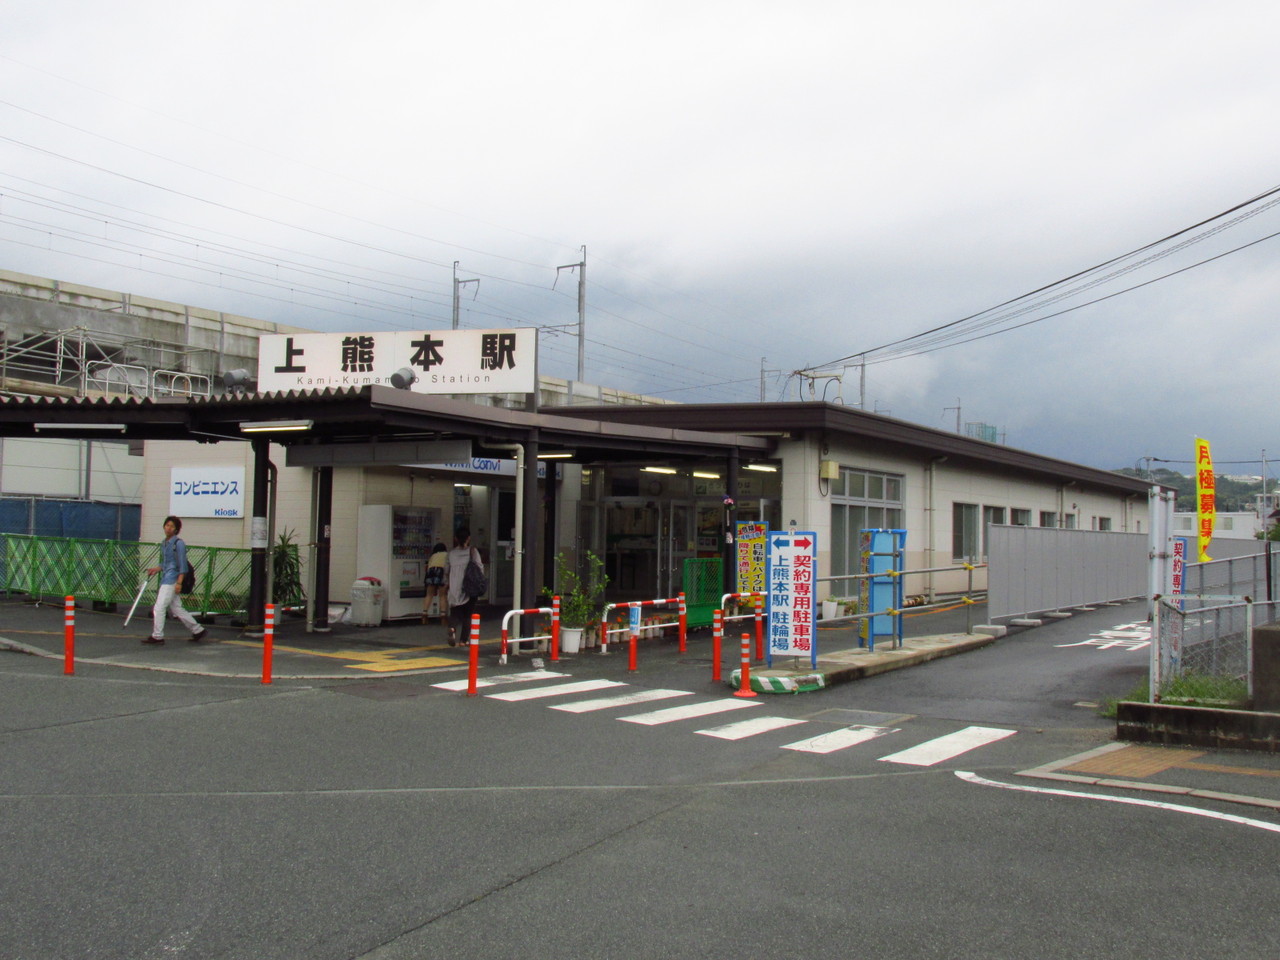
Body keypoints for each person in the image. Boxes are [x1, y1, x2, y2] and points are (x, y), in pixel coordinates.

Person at [143, 515, 208, 645]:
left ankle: (157, 636)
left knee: (159, 607)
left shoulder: (179, 544)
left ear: (176, 529)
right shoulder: (165, 543)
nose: (169, 528)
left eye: (172, 526)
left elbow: (182, 565)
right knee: (177, 608)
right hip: (167, 577)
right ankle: (197, 629)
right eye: (167, 525)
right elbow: (167, 562)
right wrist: (156, 569)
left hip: (172, 579)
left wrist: (179, 582)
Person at [444, 527, 483, 646]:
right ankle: (463, 640)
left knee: (455, 612)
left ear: (455, 539)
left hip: (455, 586)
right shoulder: (473, 551)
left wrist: (447, 584)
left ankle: (452, 628)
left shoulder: (451, 554)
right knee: (468, 614)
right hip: (469, 586)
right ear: (469, 538)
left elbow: (446, 570)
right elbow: (480, 567)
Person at [422, 541, 449, 626]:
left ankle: (424, 614)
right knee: (442, 595)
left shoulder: (433, 556)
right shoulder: (447, 555)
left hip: (431, 572)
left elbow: (428, 567)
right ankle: (443, 616)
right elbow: (448, 567)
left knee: (429, 594)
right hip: (441, 572)